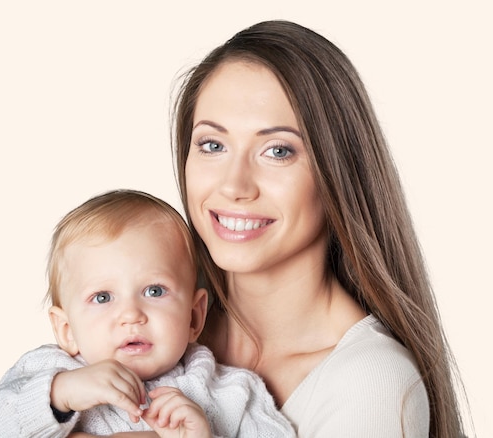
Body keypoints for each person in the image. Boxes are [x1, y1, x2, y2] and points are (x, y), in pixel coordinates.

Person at [171, 20, 469, 437]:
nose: (233, 186)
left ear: (339, 173)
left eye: (278, 151)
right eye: (213, 145)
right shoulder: (150, 323)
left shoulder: (370, 384)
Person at [0, 189, 294, 438]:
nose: (131, 315)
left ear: (194, 317)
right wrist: (59, 394)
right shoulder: (50, 374)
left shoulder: (229, 392)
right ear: (67, 330)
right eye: (102, 297)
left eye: (154, 291)